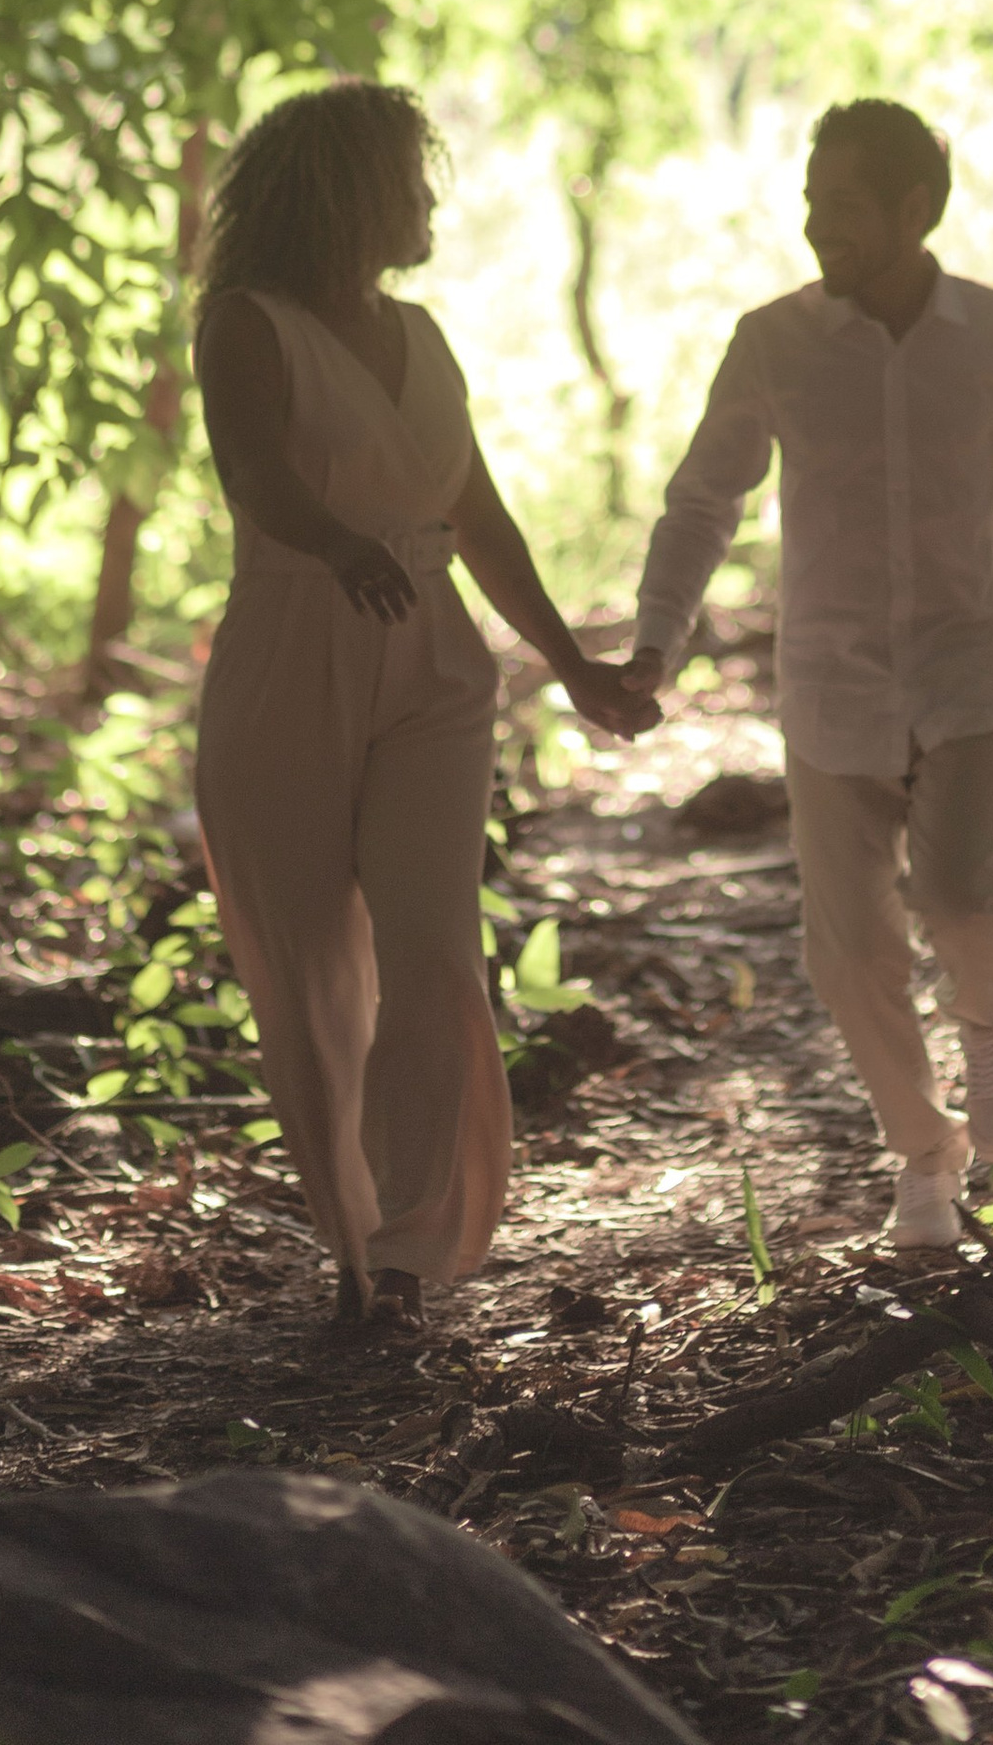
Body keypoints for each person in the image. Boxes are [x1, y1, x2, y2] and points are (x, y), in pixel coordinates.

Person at [191, 78, 654, 1330]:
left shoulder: (428, 339)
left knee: (435, 954)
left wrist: (571, 664)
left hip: (436, 669)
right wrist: (339, 545)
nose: (428, 200)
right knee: (311, 979)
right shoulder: (247, 324)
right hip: (293, 654)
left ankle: (404, 1252)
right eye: (410, 178)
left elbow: (478, 515)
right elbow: (255, 479)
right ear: (348, 196)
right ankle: (346, 1254)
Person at [624, 100, 993, 1253]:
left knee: (952, 896)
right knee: (846, 956)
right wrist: (655, 642)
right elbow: (703, 501)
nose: (813, 225)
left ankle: (992, 1022)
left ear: (914, 210)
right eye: (808, 199)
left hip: (968, 679)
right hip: (829, 688)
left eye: (840, 204)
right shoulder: (772, 342)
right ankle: (923, 1159)